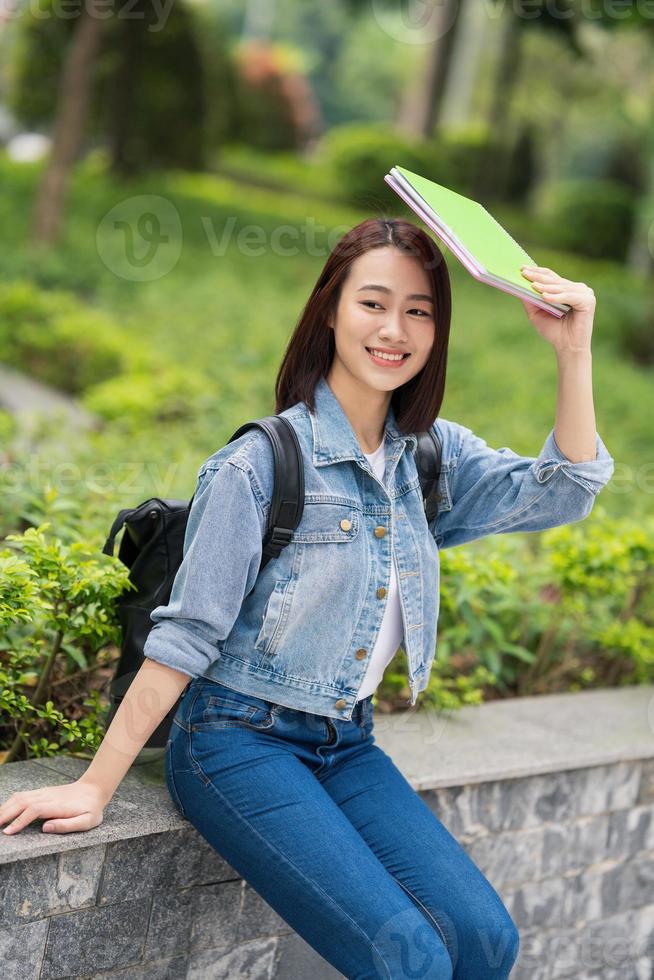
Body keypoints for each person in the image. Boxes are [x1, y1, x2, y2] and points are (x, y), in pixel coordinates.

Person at [0, 218, 614, 978]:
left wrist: (573, 350)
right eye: (374, 303)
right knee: (407, 958)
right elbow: (185, 637)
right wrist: (96, 786)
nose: (395, 329)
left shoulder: (427, 458)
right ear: (330, 310)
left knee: (488, 940)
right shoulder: (259, 463)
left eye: (419, 310)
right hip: (235, 743)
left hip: (344, 742)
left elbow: (566, 492)